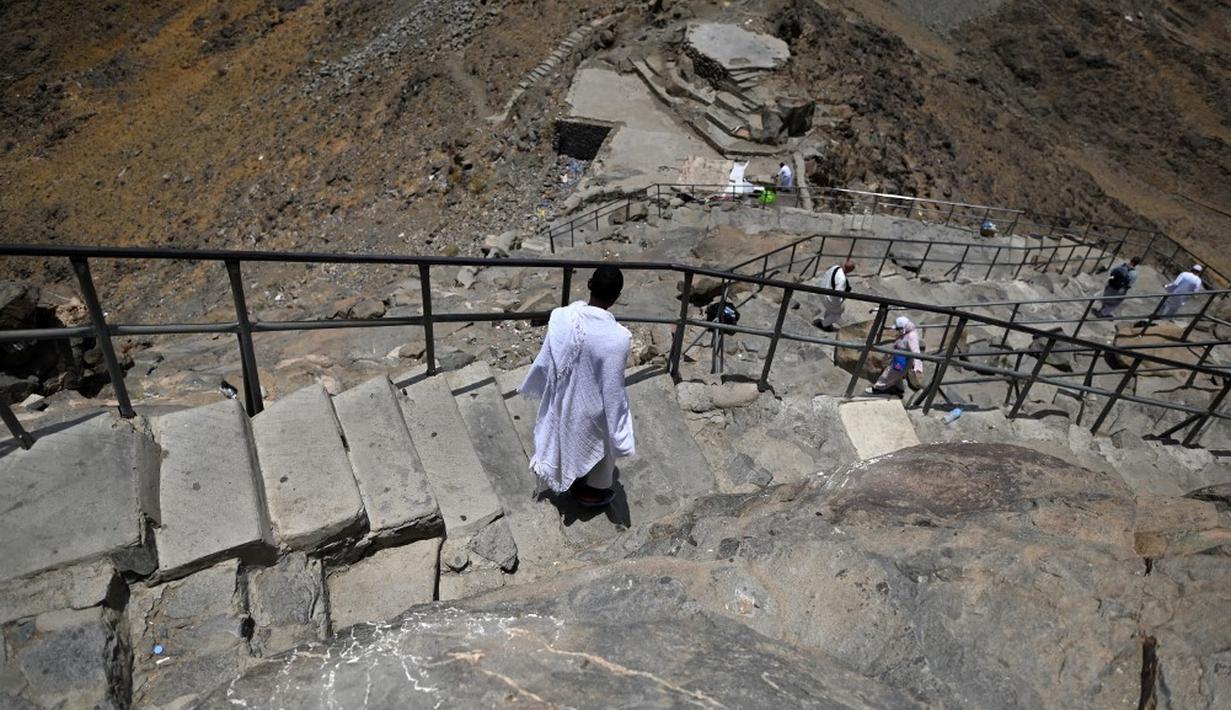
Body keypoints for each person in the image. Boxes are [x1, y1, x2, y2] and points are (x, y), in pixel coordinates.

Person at [519, 265, 635, 507]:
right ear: (617, 297)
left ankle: (571, 478)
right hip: (591, 406)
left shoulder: (562, 317)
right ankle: (592, 491)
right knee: (606, 432)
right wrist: (620, 433)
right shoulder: (619, 337)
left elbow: (547, 359)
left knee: (567, 428)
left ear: (590, 284)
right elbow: (612, 390)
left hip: (563, 396)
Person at [866, 316, 925, 396]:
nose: (897, 331)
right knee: (897, 374)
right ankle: (899, 389)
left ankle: (878, 388)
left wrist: (918, 366)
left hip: (903, 360)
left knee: (889, 373)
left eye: (898, 329)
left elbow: (915, 351)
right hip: (899, 357)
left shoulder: (911, 336)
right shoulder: (906, 333)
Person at [812, 261, 855, 332]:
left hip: (822, 291)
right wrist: (840, 302)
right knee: (838, 312)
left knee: (833, 309)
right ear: (850, 271)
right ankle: (823, 324)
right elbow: (837, 295)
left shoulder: (835, 267)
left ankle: (826, 320)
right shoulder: (842, 279)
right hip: (828, 298)